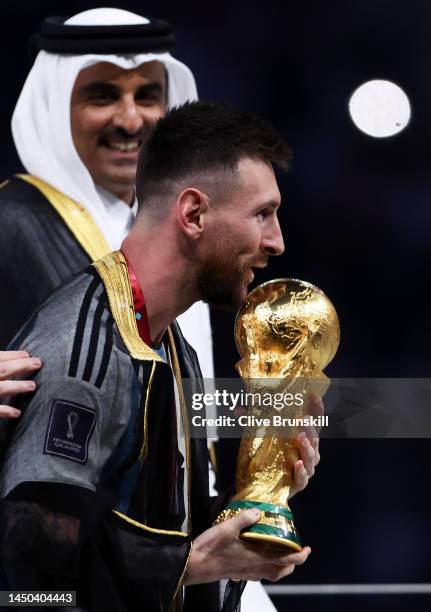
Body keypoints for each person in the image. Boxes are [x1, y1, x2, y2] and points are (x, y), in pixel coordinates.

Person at [0, 101, 321, 611]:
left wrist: (253, 504)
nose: (276, 241)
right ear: (193, 213)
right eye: (262, 214)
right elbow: (26, 587)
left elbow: (155, 527)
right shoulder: (83, 354)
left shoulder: (174, 348)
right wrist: (191, 565)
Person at [0, 7, 213, 378]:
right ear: (55, 105)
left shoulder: (188, 231)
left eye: (147, 97)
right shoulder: (9, 220)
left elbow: (179, 410)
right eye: (103, 97)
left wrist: (266, 420)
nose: (130, 121)